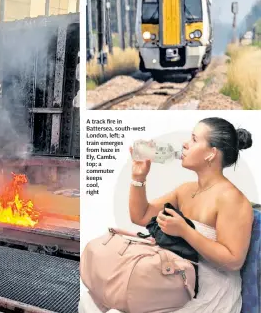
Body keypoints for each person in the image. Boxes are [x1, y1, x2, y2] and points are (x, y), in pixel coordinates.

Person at [79, 117, 254, 313]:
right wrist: (139, 177)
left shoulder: (233, 199)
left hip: (209, 291)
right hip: (175, 275)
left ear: (211, 154)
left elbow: (233, 260)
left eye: (194, 140)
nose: (185, 144)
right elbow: (141, 216)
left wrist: (185, 231)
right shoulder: (186, 190)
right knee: (94, 300)